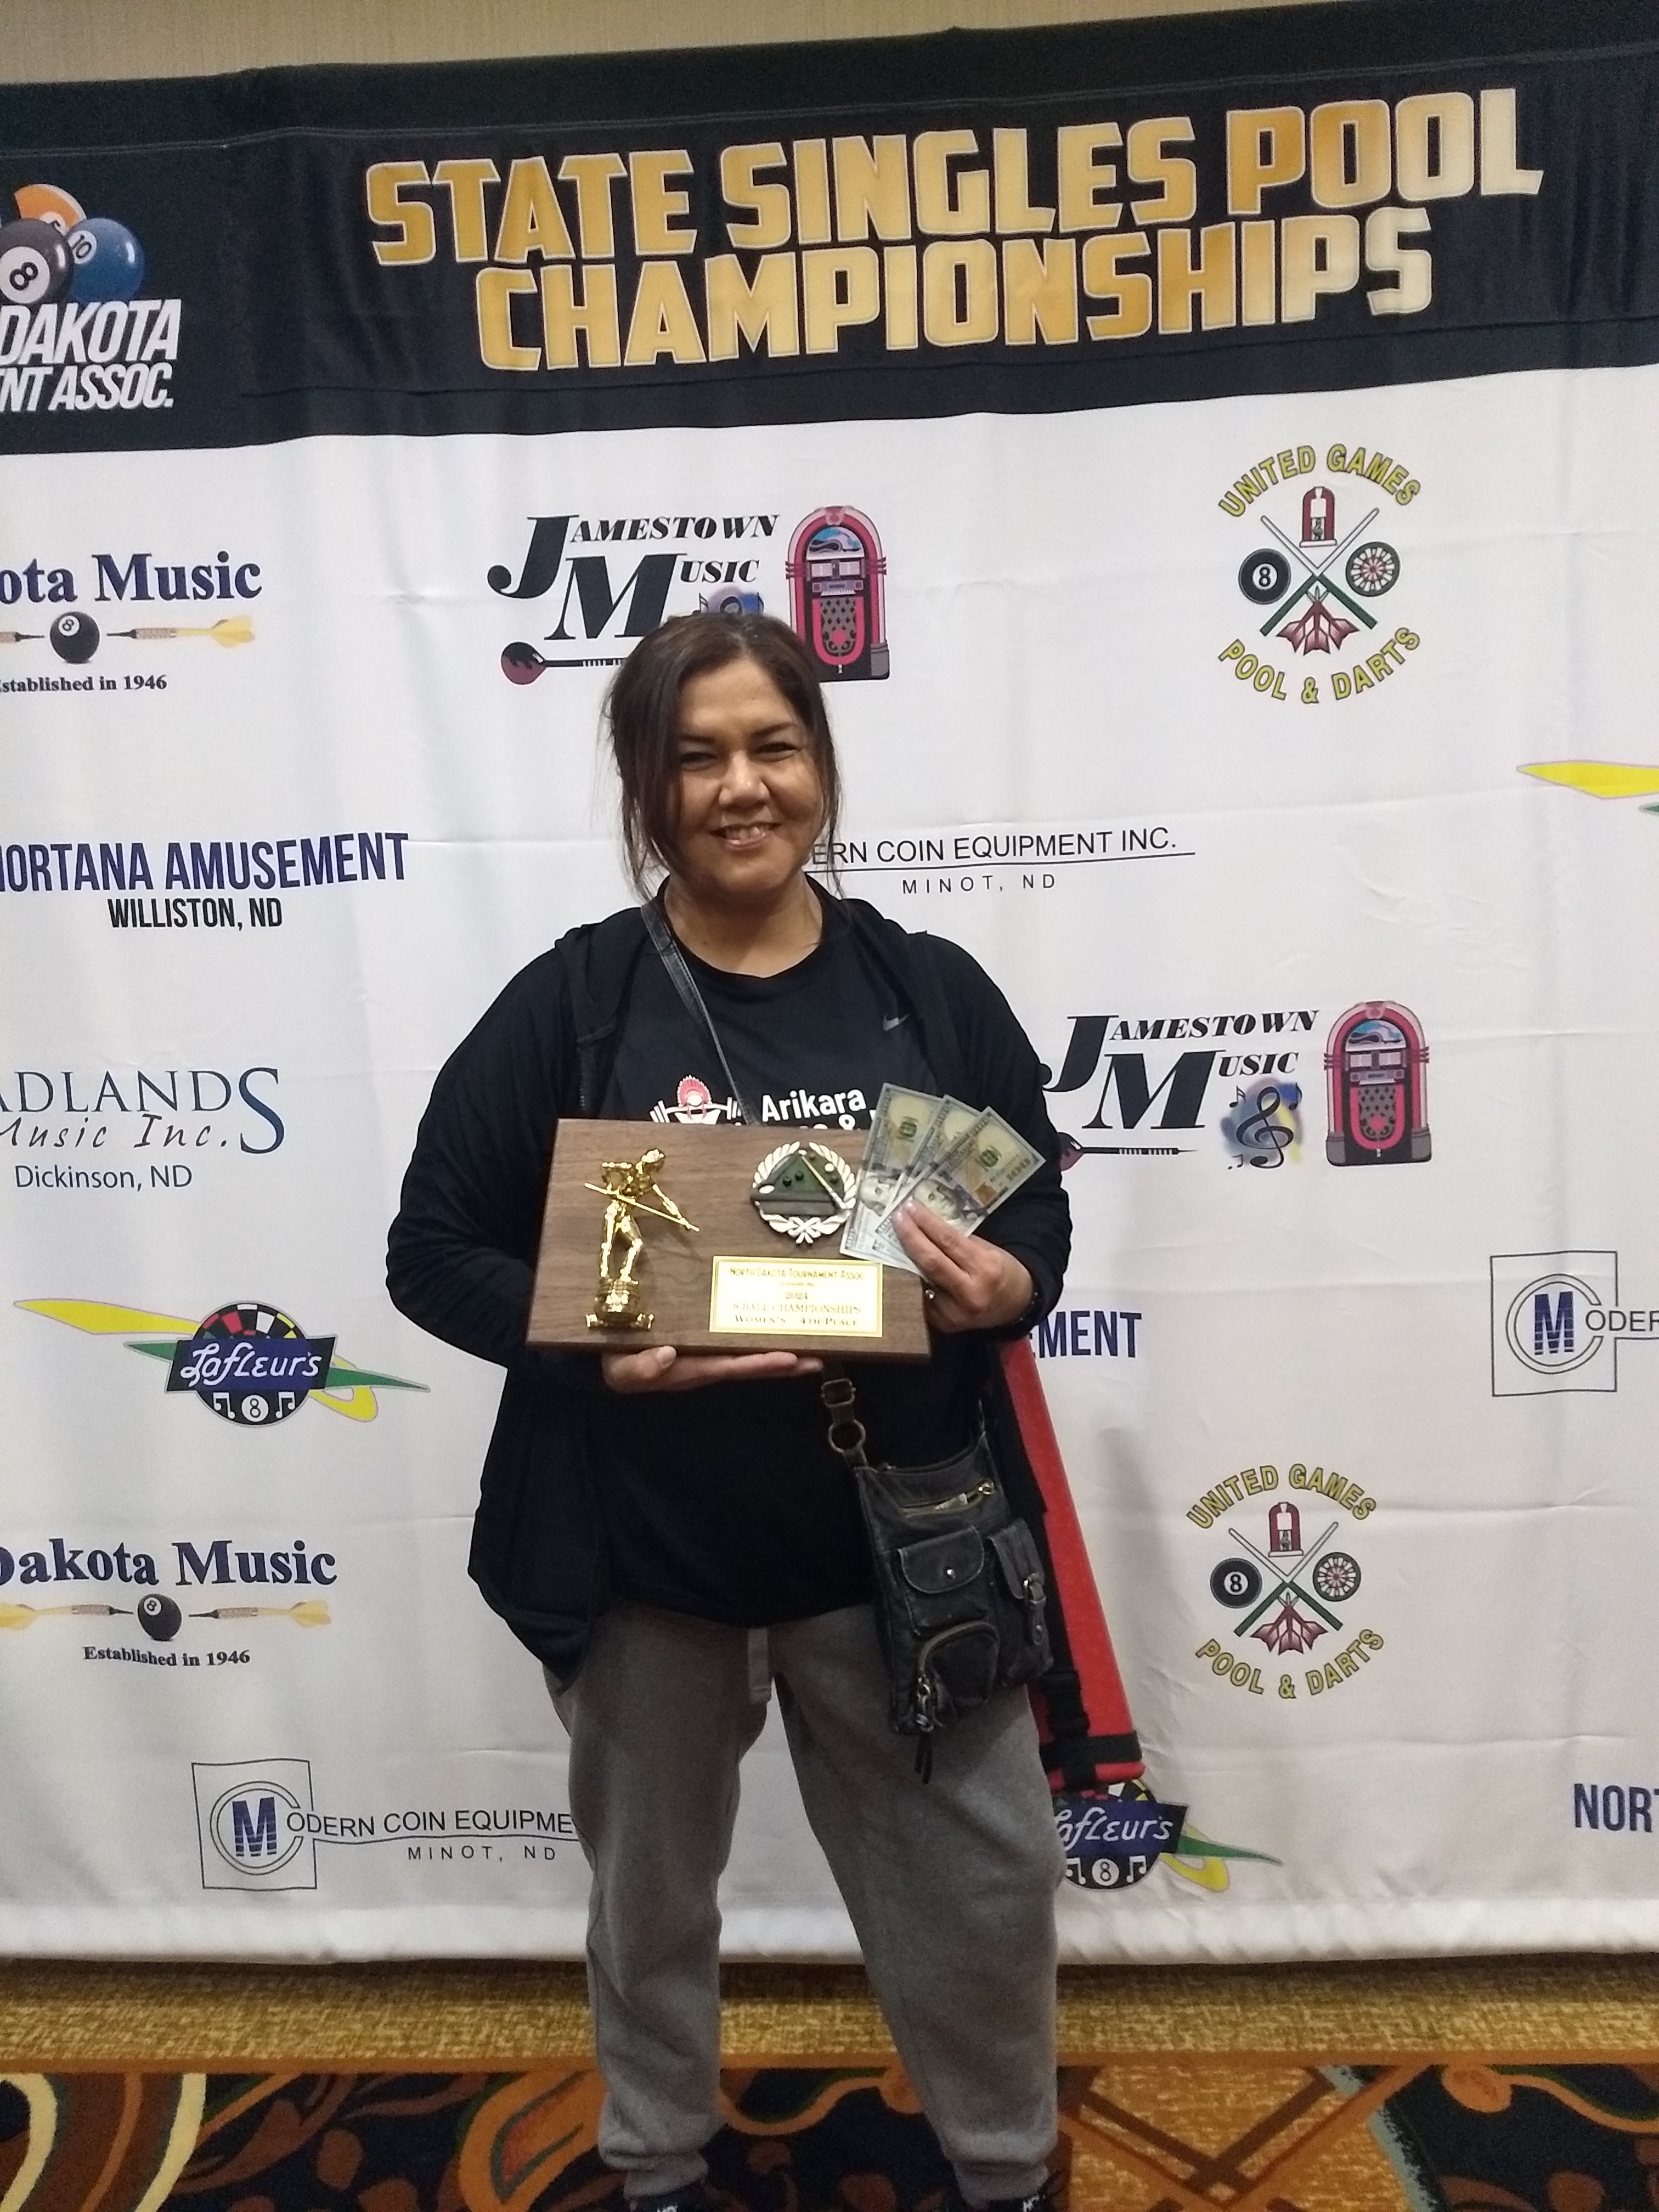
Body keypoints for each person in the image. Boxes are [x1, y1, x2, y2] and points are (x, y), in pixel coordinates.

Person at [387, 613, 1071, 2212]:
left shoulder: (928, 990)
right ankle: (657, 2171)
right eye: (695, 757)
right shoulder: (575, 1003)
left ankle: (1007, 2175)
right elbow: (433, 1252)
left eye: (773, 745)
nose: (740, 786)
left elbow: (1032, 1207)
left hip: (903, 1547)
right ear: (647, 786)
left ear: (820, 761)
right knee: (649, 1904)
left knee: (987, 1892)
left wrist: (1008, 1283)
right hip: (647, 1559)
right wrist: (591, 1340)